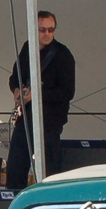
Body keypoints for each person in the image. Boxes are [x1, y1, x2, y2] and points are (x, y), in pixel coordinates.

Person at [6, 11, 75, 190]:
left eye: (51, 30)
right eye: (42, 30)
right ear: (33, 30)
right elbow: (15, 76)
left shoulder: (62, 54)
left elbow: (68, 92)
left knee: (50, 172)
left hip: (50, 120)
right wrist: (16, 90)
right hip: (27, 117)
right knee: (15, 166)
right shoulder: (28, 48)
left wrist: (37, 94)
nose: (47, 34)